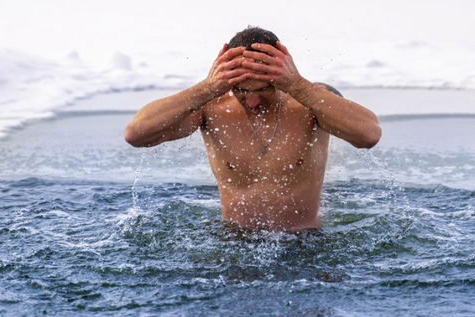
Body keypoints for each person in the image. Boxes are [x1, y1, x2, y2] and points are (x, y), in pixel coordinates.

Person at [124, 26, 381, 231]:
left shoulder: (311, 102)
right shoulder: (211, 107)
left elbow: (368, 134)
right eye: (241, 90)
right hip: (234, 242)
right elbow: (136, 134)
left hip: (304, 242)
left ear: (282, 74)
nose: (252, 101)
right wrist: (207, 88)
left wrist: (298, 85)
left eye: (263, 89)